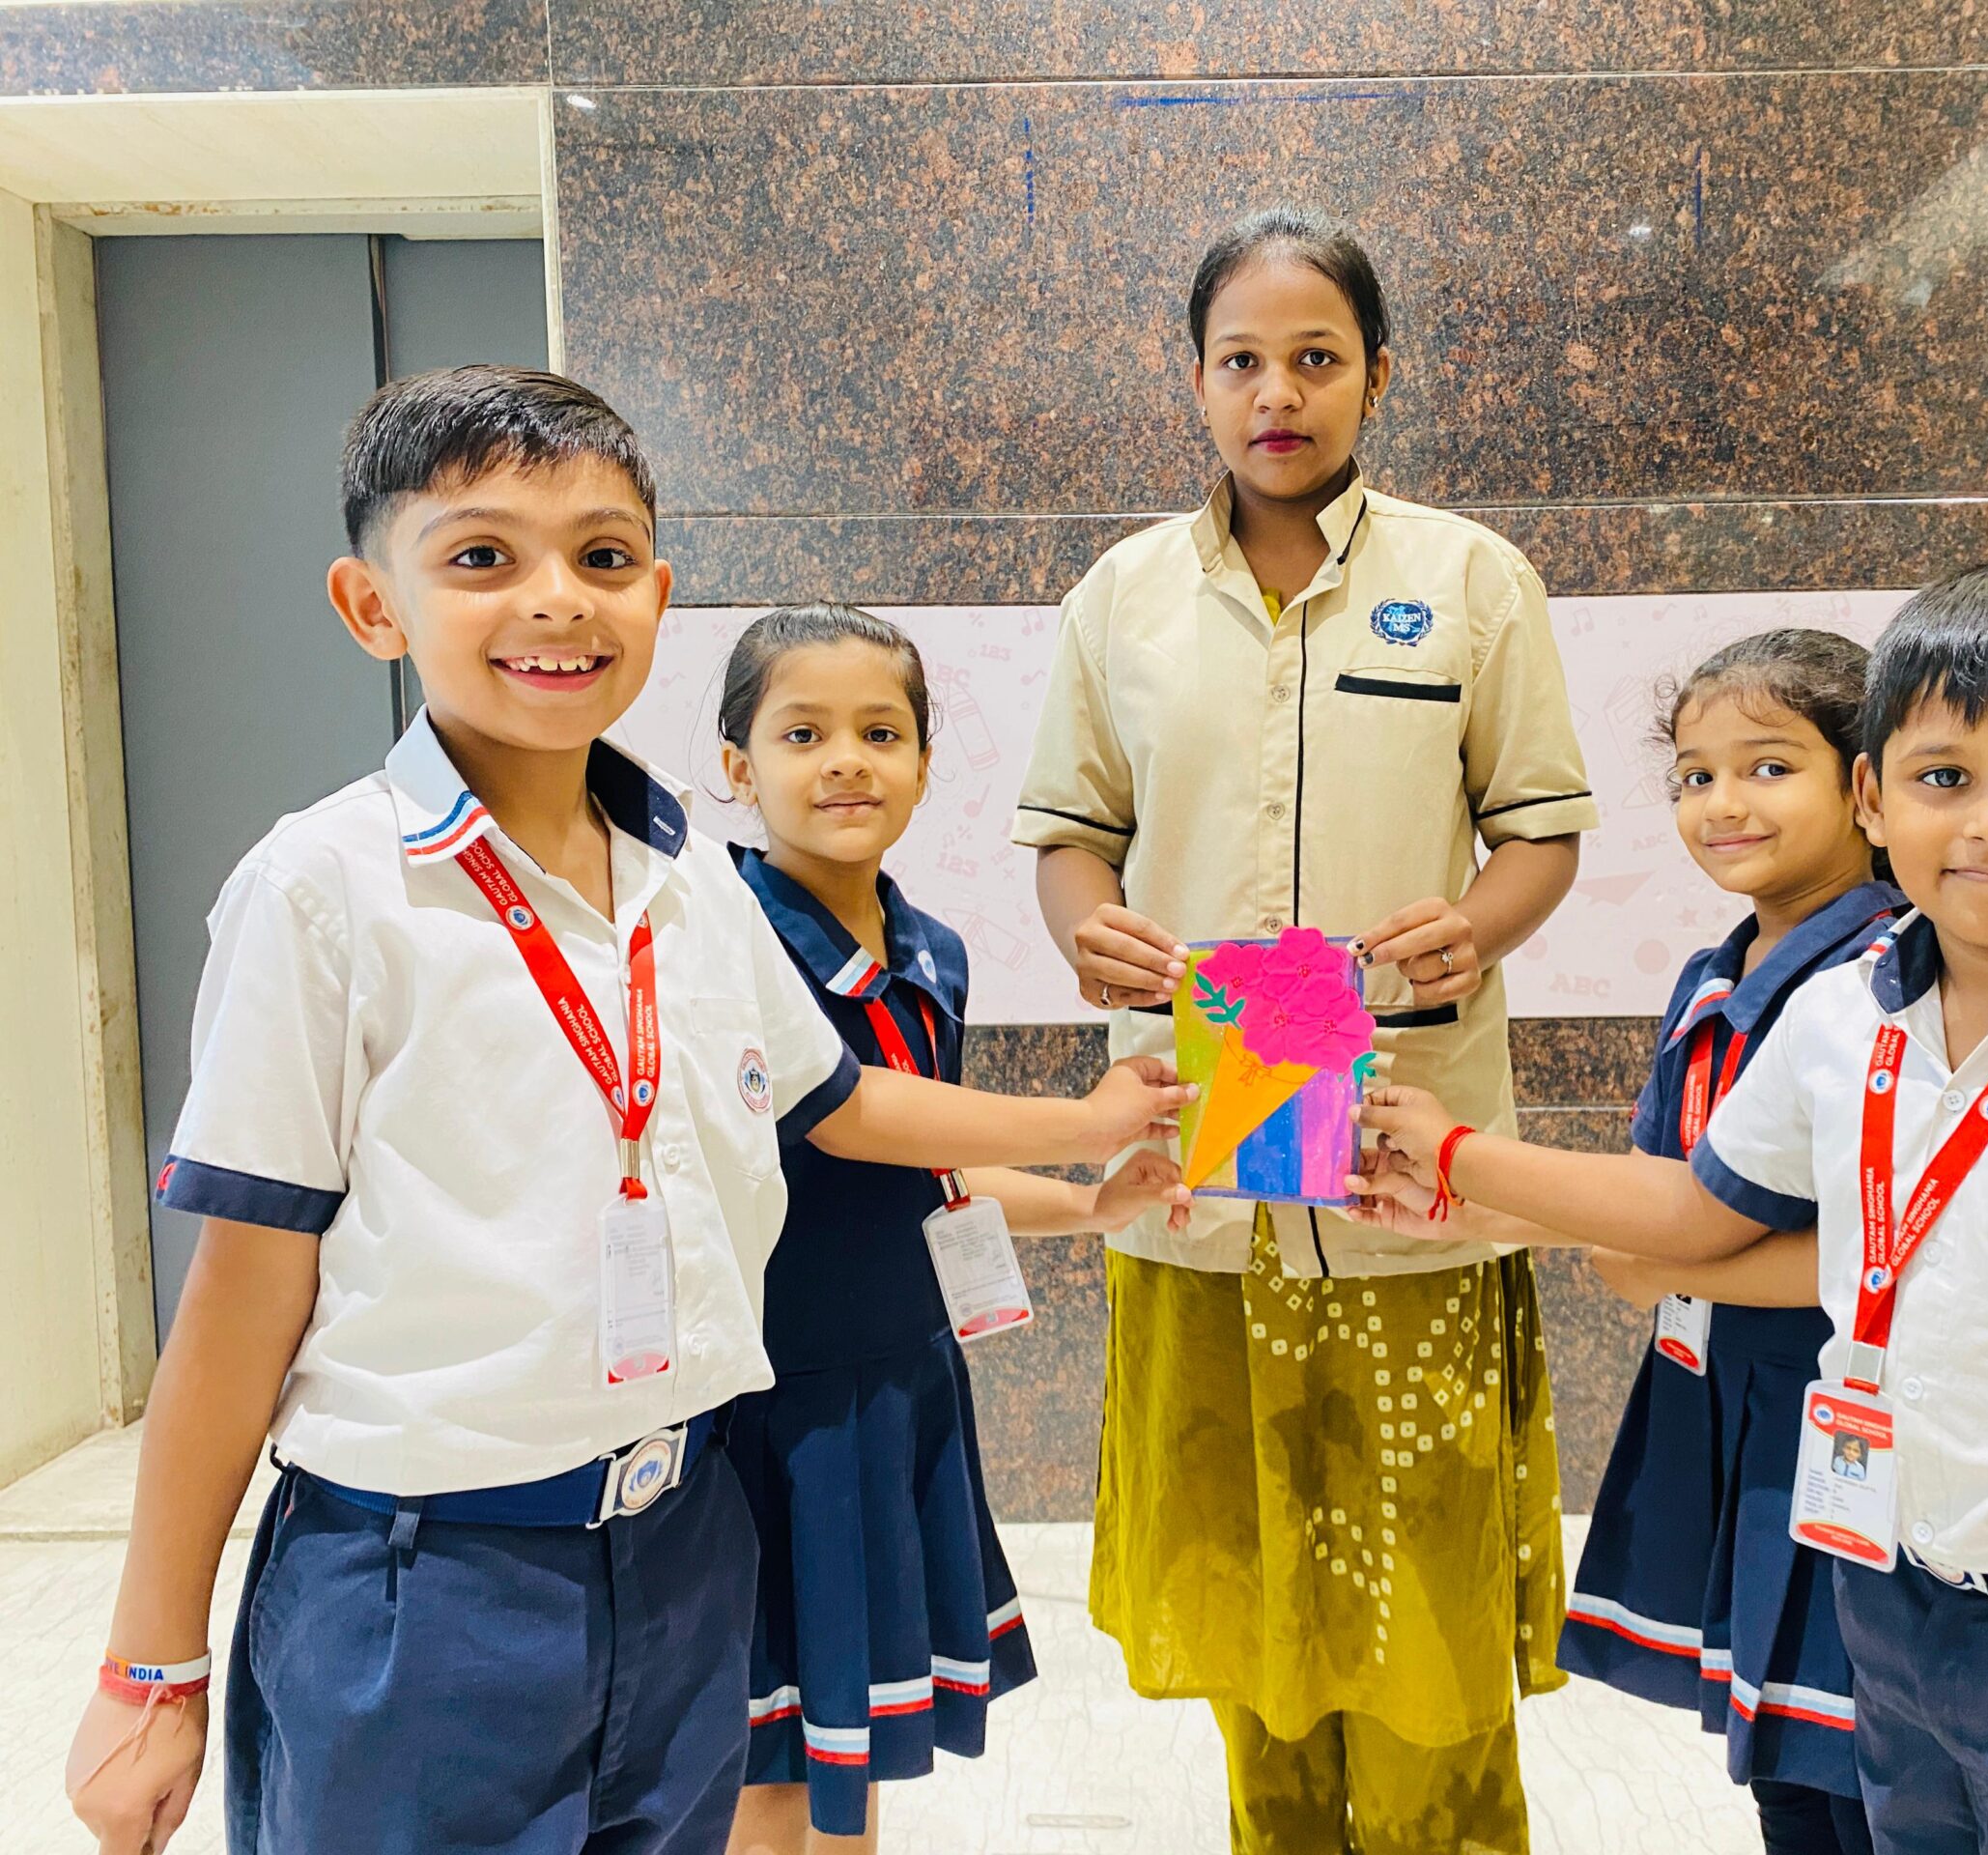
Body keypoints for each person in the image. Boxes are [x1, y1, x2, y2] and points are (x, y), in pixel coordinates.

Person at [63, 365, 1191, 1855]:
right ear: (372, 605)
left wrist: (1090, 1140)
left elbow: (848, 1106)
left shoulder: (697, 886)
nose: (556, 599)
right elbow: (239, 1295)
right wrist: (153, 1664)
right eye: (482, 555)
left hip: (686, 1549)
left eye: (601, 556)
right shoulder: (324, 891)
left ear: (657, 595)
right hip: (427, 1582)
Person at [1356, 561, 1988, 1855]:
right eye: (1945, 776)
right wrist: (1458, 1161)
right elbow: (1692, 1214)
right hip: (1895, 1617)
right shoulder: (1840, 1019)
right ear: (1876, 796)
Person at [1012, 208, 1598, 1853]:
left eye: (1317, 358)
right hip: (1210, 1134)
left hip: (1404, 1142)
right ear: (1196, 381)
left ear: (1378, 376)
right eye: (1243, 361)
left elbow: (1541, 829)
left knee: (1427, 1607)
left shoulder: (1469, 580)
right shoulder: (1121, 596)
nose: (1279, 393)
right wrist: (1084, 929)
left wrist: (1479, 923)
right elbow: (1071, 835)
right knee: (1250, 1609)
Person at [1349, 629, 1891, 1854]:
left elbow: (1878, 1250)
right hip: (1732, 1403)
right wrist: (1464, 1211)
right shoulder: (1715, 973)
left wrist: (1468, 1159)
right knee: (1782, 1756)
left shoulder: (1884, 978)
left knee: (1865, 1764)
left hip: (1844, 1419)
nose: (1722, 804)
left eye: (1767, 767)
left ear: (1865, 785)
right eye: (1695, 776)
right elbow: (1650, 1199)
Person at [715, 604, 1190, 1854]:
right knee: (759, 1768)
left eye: (882, 733)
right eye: (802, 733)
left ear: (927, 764)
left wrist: (1091, 1203)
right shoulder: (722, 936)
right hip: (760, 1409)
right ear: (736, 767)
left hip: (899, 1385)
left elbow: (929, 1169)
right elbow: (848, 1118)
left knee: (853, 1741)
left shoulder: (933, 952)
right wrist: (1081, 1122)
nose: (846, 762)